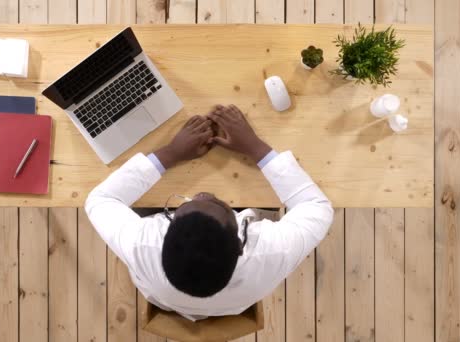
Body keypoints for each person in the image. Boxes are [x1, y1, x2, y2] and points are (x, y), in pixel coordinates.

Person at [85, 104, 334, 320]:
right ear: (240, 244)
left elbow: (100, 199)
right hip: (234, 301)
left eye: (188, 203)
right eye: (217, 204)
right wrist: (255, 147)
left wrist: (171, 153)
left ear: (163, 235)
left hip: (167, 296)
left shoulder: (141, 244)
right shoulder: (272, 251)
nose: (202, 194)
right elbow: (316, 207)